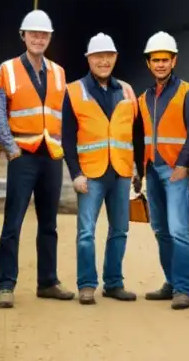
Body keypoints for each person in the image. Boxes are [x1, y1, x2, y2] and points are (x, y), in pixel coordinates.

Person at [0, 9, 76, 307]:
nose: (39, 38)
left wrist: (64, 150)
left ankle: (48, 281)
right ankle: (5, 284)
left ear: (50, 38)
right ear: (23, 36)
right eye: (34, 34)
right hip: (23, 155)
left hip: (50, 156)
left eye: (44, 34)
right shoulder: (8, 69)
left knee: (49, 224)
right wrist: (9, 147)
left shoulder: (59, 72)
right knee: (12, 222)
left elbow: (63, 114)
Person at [61, 32, 142, 305]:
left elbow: (137, 133)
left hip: (120, 173)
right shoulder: (73, 92)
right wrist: (75, 174)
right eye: (98, 56)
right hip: (90, 174)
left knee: (119, 230)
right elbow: (68, 138)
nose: (103, 61)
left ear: (116, 58)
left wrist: (137, 170)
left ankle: (114, 283)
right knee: (86, 232)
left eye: (108, 56)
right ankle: (86, 285)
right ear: (89, 59)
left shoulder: (127, 91)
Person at [135, 31, 189, 310]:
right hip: (152, 170)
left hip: (175, 171)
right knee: (160, 229)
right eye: (155, 60)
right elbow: (139, 137)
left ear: (174, 61)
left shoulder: (188, 93)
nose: (160, 64)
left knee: (178, 230)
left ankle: (184, 289)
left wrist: (183, 165)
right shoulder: (143, 98)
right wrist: (139, 171)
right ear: (148, 63)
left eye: (165, 59)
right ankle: (171, 282)